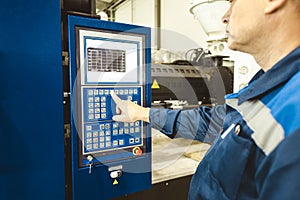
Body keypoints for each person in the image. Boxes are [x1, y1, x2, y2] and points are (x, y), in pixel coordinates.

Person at [111, 0, 300, 199]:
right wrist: (140, 113)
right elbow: (210, 122)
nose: (224, 17)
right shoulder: (266, 86)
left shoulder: (292, 111)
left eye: (233, 2)